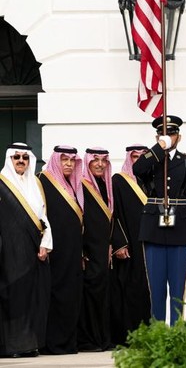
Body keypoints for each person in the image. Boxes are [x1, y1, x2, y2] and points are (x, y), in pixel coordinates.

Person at [133, 115, 186, 326]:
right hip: (154, 229)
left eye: (171, 133)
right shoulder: (150, 159)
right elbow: (137, 170)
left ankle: (176, 335)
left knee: (177, 289)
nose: (168, 137)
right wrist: (158, 148)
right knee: (155, 288)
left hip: (181, 229)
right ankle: (158, 334)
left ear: (179, 137)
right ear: (157, 136)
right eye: (163, 134)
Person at [0, 143, 51, 358]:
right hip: (8, 252)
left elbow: (44, 218)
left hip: (33, 250)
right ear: (9, 159)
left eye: (25, 157)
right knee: (12, 296)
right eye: (16, 157)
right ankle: (11, 347)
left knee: (33, 297)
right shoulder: (2, 184)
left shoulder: (36, 184)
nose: (21, 161)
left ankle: (30, 344)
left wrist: (46, 244)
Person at [39, 146, 84, 354]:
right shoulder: (44, 182)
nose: (68, 164)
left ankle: (68, 342)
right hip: (55, 251)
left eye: (71, 160)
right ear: (56, 160)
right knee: (56, 294)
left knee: (71, 295)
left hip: (73, 251)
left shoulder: (72, 185)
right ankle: (54, 343)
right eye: (64, 159)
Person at [110, 145, 151, 345]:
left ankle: (149, 333)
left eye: (142, 158)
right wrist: (119, 244)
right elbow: (112, 214)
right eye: (134, 157)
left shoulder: (153, 181)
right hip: (129, 246)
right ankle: (128, 335)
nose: (138, 161)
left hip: (151, 244)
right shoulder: (118, 181)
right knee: (130, 288)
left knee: (149, 290)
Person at [77, 148, 113, 352]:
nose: (100, 164)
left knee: (103, 296)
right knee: (89, 296)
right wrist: (82, 250)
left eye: (103, 161)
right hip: (88, 252)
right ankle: (88, 340)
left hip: (103, 252)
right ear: (88, 162)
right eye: (95, 160)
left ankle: (102, 340)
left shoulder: (107, 185)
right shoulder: (80, 185)